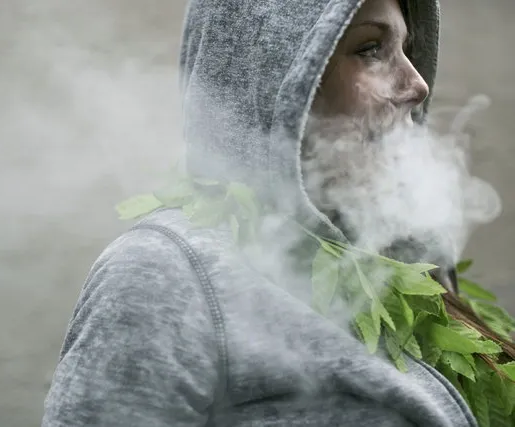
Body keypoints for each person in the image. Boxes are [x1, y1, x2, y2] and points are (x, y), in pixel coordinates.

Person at [42, 0, 515, 425]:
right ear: (274, 78)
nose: (417, 84)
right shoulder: (162, 273)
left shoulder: (408, 255)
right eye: (370, 49)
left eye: (408, 48)